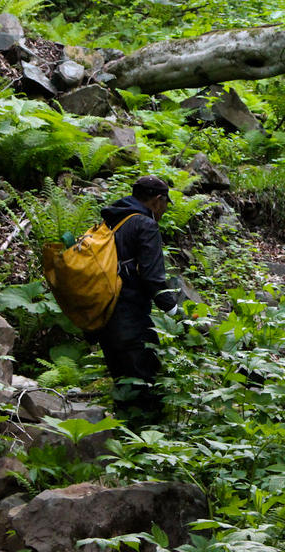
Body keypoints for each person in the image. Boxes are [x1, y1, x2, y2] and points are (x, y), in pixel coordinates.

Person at [89, 174, 180, 424]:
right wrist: (174, 311)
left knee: (121, 378)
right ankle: (148, 441)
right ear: (158, 200)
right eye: (165, 204)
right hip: (130, 313)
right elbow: (152, 277)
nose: (163, 210)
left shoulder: (112, 219)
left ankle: (122, 433)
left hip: (104, 311)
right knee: (144, 379)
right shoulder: (145, 225)